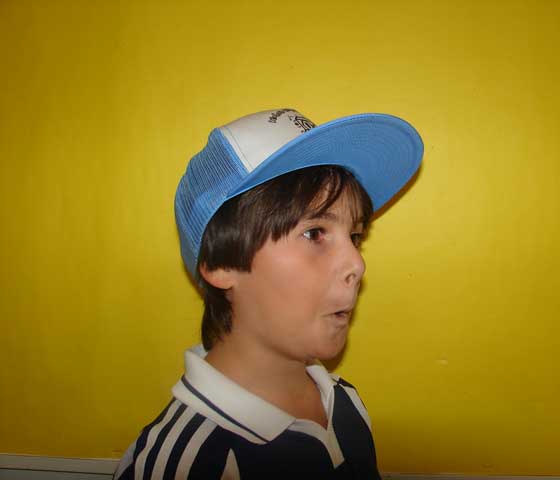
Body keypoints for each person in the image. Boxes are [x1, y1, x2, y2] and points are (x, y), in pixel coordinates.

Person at [113, 108, 423, 479]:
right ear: (221, 264)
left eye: (355, 237)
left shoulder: (343, 402)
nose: (356, 264)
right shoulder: (182, 463)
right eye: (314, 233)